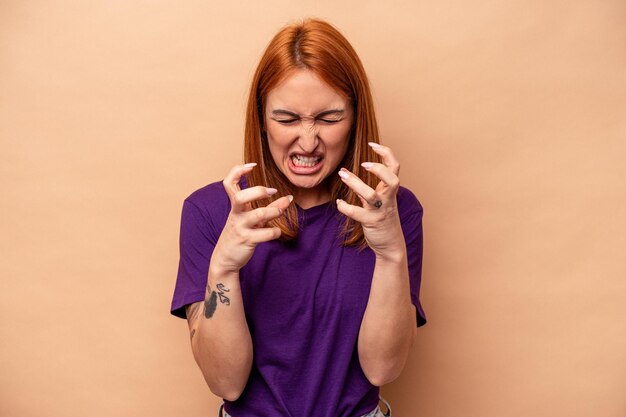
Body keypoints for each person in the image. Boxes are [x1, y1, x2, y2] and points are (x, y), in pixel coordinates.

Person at [170, 18, 427, 417]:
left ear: (356, 118)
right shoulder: (209, 211)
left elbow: (383, 368)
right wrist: (222, 269)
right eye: (287, 119)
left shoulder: (393, 210)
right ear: (261, 118)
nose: (307, 141)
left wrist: (391, 252)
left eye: (328, 118)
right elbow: (225, 382)